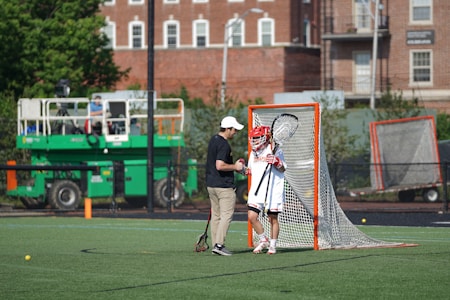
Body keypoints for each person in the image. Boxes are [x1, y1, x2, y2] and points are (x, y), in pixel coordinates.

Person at [206, 116, 245, 256]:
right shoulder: (224, 144)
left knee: (216, 216)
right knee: (226, 215)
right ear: (228, 129)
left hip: (211, 184)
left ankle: (215, 245)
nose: (235, 132)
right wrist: (236, 166)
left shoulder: (213, 140)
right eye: (234, 129)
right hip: (223, 186)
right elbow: (220, 165)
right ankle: (219, 244)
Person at [246, 125, 286, 255]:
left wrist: (276, 161)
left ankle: (273, 245)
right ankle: (263, 240)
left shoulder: (274, 149)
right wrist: (242, 169)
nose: (255, 141)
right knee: (252, 216)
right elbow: (250, 170)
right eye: (253, 138)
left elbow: (283, 168)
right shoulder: (253, 153)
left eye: (257, 138)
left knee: (272, 218)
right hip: (257, 190)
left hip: (272, 190)